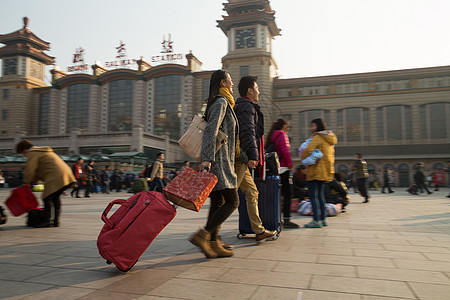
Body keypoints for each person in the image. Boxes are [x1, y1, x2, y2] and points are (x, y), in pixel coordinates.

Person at [189, 70, 239, 258]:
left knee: (218, 201)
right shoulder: (221, 102)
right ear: (222, 83)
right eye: (230, 80)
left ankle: (212, 242)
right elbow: (210, 131)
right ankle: (203, 235)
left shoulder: (221, 102)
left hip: (222, 158)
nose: (232, 84)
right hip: (219, 160)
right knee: (233, 201)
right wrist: (207, 158)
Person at [234, 75, 277, 242]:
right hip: (241, 159)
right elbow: (248, 133)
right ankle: (208, 233)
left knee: (252, 192)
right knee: (230, 199)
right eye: (257, 88)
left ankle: (258, 231)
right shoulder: (246, 107)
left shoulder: (242, 106)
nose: (259, 91)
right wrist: (253, 155)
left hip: (240, 158)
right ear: (250, 90)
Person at [15, 139, 76, 227]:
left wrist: (27, 182)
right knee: (55, 197)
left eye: (22, 154)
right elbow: (40, 170)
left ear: (24, 149)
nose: (24, 156)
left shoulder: (32, 152)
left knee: (46, 197)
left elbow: (30, 169)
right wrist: (35, 181)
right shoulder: (41, 151)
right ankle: (56, 221)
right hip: (66, 175)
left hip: (56, 175)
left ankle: (47, 220)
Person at [300, 118, 337, 228]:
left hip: (316, 170)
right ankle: (322, 219)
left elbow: (308, 150)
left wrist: (303, 158)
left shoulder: (318, 137)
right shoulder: (329, 138)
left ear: (318, 126)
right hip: (325, 171)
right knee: (321, 196)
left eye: (313, 126)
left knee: (313, 196)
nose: (312, 128)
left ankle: (316, 220)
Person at [267, 118, 298, 228]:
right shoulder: (282, 135)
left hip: (273, 169)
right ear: (284, 126)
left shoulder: (271, 135)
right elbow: (285, 151)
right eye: (287, 126)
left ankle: (273, 218)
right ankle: (286, 219)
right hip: (283, 168)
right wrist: (290, 164)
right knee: (288, 194)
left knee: (276, 194)